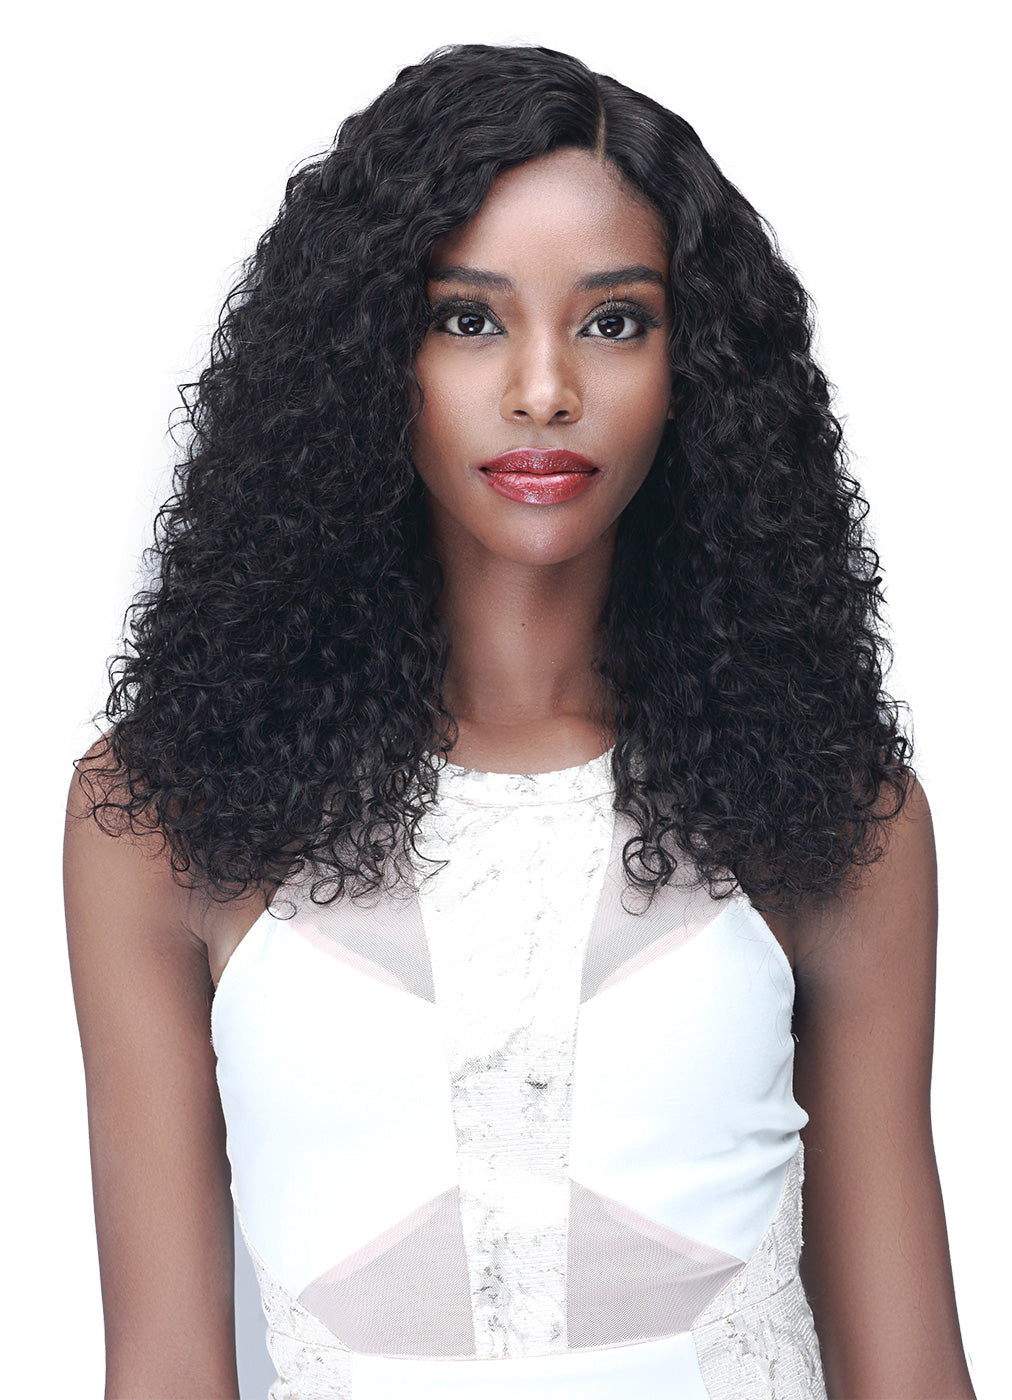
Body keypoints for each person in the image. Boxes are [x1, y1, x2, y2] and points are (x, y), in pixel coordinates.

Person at [64, 42, 976, 1400]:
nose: (544, 388)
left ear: (697, 367)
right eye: (467, 319)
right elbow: (162, 1370)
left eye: (614, 322)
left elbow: (908, 1372)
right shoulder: (163, 814)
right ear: (364, 357)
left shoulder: (834, 812)